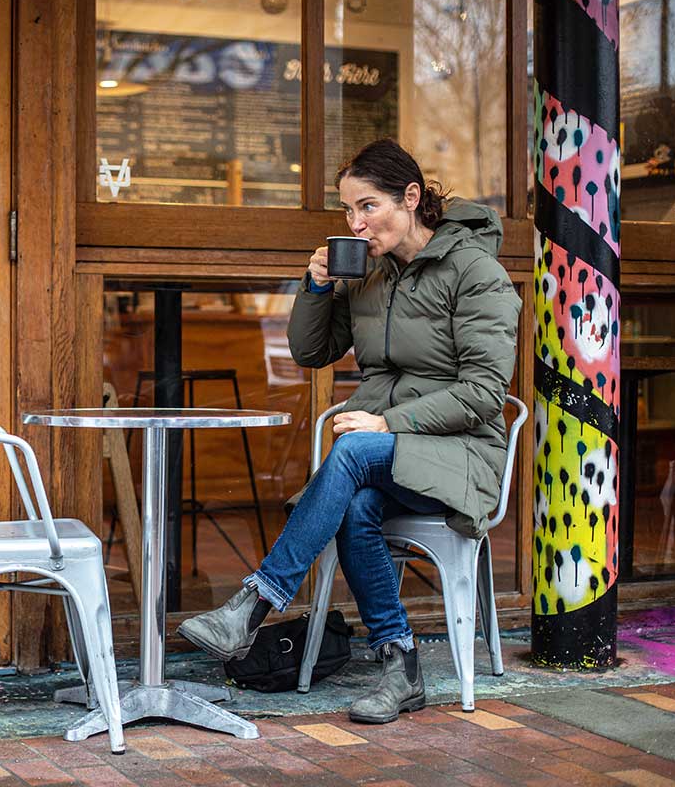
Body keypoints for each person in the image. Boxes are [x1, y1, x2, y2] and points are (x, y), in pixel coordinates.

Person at [178, 138, 521, 724]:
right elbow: (313, 352)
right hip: (386, 458)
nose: (355, 223)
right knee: (357, 504)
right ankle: (400, 663)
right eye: (347, 212)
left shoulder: (475, 272)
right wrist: (315, 288)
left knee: (356, 447)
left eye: (368, 207)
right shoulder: (369, 272)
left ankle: (254, 603)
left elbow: (486, 394)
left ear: (410, 199)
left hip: (462, 452)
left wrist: (389, 422)